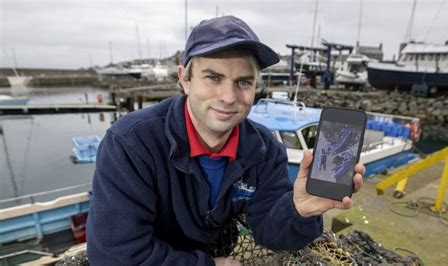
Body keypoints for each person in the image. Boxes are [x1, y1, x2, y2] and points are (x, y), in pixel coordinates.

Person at [86, 15, 364, 265]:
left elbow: (271, 234)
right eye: (213, 77)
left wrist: (299, 210)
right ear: (185, 79)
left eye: (243, 82)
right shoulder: (130, 143)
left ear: (256, 86)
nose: (229, 97)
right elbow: (113, 255)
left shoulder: (265, 150)